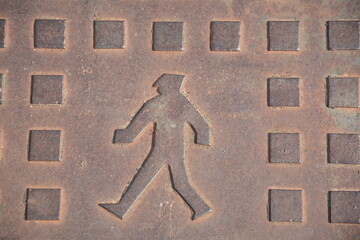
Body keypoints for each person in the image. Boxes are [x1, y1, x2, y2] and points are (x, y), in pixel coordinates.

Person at [100, 74, 212, 220]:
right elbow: (203, 127)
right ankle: (200, 207)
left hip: (164, 150)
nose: (158, 88)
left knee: (156, 179)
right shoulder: (182, 103)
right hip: (171, 149)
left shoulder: (156, 104)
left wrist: (122, 136)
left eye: (161, 85)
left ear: (169, 86)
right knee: (173, 182)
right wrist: (202, 141)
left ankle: (122, 207)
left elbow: (135, 128)